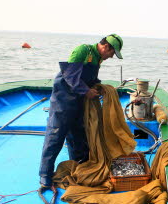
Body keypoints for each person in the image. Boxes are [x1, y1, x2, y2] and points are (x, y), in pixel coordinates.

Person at [39, 34, 124, 187]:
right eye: (112, 53)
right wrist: (87, 91)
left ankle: (80, 166)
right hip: (63, 101)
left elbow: (89, 78)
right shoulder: (83, 51)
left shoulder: (98, 58)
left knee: (79, 135)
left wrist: (98, 87)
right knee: (55, 136)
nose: (111, 57)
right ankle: (45, 174)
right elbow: (70, 76)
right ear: (106, 47)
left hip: (79, 102)